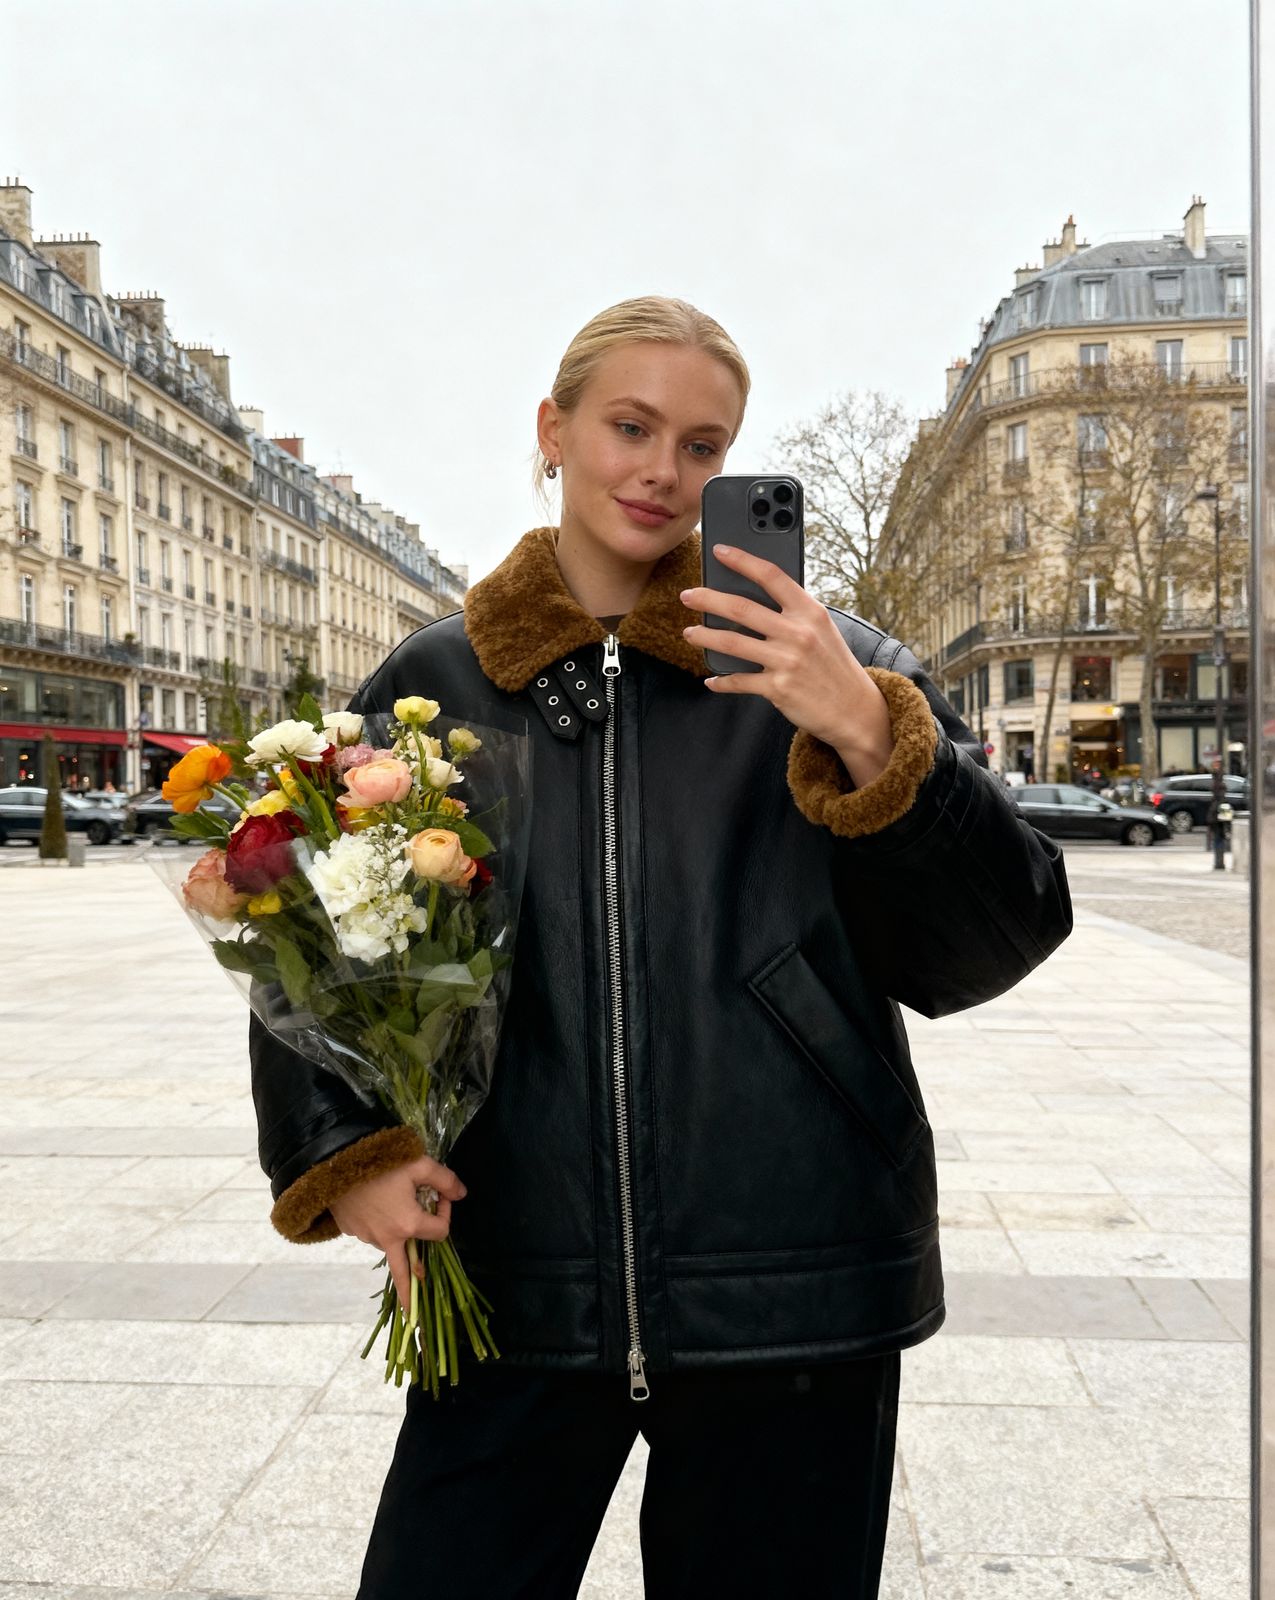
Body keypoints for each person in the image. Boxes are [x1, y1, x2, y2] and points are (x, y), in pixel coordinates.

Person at [248, 295, 1074, 1599]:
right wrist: (346, 1152)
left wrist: (868, 733)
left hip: (793, 1292)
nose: (662, 472)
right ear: (553, 429)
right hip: (507, 1279)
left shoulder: (837, 668)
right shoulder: (434, 684)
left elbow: (993, 940)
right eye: (630, 427)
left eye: (703, 445)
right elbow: (315, 944)